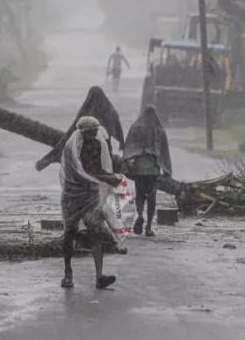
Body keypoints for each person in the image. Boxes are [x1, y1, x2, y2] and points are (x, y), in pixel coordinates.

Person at [60, 116, 122, 289]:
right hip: (73, 196)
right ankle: (67, 273)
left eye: (96, 132)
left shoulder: (96, 144)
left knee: (95, 231)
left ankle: (99, 276)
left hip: (90, 194)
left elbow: (97, 169)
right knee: (70, 232)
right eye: (91, 132)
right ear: (83, 132)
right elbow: (84, 172)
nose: (95, 135)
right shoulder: (72, 148)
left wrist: (110, 177)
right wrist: (109, 178)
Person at [123, 105, 172, 237]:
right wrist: (167, 170)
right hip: (153, 169)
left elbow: (128, 146)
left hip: (138, 168)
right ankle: (148, 227)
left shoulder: (136, 128)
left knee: (140, 194)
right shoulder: (159, 129)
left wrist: (128, 161)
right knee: (152, 197)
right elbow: (164, 151)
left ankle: (139, 215)